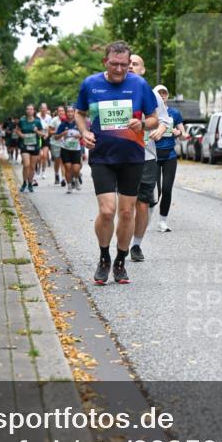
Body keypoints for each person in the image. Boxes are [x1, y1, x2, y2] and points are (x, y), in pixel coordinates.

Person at [74, 41, 158, 285]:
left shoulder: (140, 84)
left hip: (132, 157)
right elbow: (79, 113)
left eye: (124, 65)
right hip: (102, 156)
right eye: (114, 64)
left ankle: (120, 261)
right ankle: (104, 257)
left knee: (126, 212)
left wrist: (142, 125)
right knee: (107, 210)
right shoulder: (90, 84)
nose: (120, 69)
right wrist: (84, 132)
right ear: (105, 62)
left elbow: (154, 119)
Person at [128, 54, 162, 262]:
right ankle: (123, 241)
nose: (131, 66)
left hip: (146, 156)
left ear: (143, 69)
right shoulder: (117, 92)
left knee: (142, 203)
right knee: (126, 205)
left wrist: (159, 128)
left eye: (135, 64)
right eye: (128, 63)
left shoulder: (151, 95)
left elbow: (164, 119)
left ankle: (136, 246)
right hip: (121, 157)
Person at [152, 84, 186, 232]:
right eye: (159, 93)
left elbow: (183, 135)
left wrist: (177, 132)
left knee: (166, 189)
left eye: (164, 93)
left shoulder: (175, 113)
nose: (162, 95)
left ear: (167, 95)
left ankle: (162, 221)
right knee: (155, 191)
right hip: (152, 155)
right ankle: (145, 216)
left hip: (169, 156)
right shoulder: (150, 113)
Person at [15, 104, 45, 193]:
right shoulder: (22, 120)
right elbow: (17, 130)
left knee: (32, 167)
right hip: (24, 146)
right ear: (26, 111)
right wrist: (22, 135)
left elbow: (42, 134)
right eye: (28, 109)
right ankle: (24, 182)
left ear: (34, 111)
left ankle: (30, 183)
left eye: (31, 109)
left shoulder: (37, 121)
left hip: (35, 146)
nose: (29, 111)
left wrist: (36, 131)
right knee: (26, 165)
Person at [55, 106, 83, 192]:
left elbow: (85, 134)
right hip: (65, 149)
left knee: (76, 169)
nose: (70, 113)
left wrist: (80, 136)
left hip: (76, 149)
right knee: (67, 167)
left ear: (74, 113)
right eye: (68, 112)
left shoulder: (78, 124)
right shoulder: (63, 124)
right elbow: (56, 137)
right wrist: (62, 134)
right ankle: (69, 185)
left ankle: (76, 179)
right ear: (66, 113)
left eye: (72, 112)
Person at [47, 105, 65, 186]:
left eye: (62, 110)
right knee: (57, 161)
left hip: (65, 143)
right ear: (57, 112)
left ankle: (63, 178)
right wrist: (59, 131)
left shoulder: (67, 119)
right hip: (55, 143)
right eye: (59, 111)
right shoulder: (54, 120)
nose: (61, 112)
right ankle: (56, 174)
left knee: (63, 161)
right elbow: (50, 132)